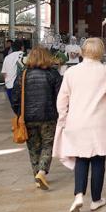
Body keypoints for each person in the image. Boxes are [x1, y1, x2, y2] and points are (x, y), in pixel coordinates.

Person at [53, 37, 106, 212]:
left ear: (83, 51)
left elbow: (61, 100)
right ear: (101, 52)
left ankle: (78, 195)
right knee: (98, 159)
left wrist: (63, 117)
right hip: (99, 123)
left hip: (76, 121)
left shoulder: (71, 72)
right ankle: (96, 200)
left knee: (81, 158)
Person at [11, 46, 62, 190]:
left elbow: (14, 98)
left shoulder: (23, 74)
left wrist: (20, 113)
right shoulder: (53, 74)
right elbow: (60, 97)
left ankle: (36, 177)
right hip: (49, 116)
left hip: (28, 118)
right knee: (48, 144)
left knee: (33, 147)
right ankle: (41, 172)